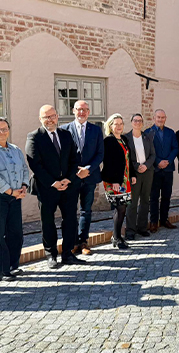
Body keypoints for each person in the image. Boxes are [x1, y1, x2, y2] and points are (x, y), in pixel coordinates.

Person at [26, 105, 85, 268]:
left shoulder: (66, 135)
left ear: (57, 116)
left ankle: (68, 254)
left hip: (68, 186)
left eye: (52, 116)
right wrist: (53, 182)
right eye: (46, 117)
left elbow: (75, 159)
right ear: (40, 119)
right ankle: (51, 255)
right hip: (46, 187)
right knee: (48, 222)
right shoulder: (34, 137)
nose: (50, 120)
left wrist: (68, 179)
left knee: (70, 220)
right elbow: (35, 164)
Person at [0, 117, 31, 281]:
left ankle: (11, 266)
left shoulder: (15, 149)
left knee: (15, 233)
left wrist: (24, 186)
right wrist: (10, 191)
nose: (2, 132)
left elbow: (24, 169)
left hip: (15, 197)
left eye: (5, 129)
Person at [61, 101, 104, 256]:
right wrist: (75, 171)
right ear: (73, 111)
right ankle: (72, 242)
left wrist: (88, 169)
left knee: (86, 210)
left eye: (85, 110)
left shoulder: (96, 130)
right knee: (70, 211)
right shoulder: (64, 129)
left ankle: (83, 241)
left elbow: (100, 153)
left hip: (89, 177)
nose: (82, 112)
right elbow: (63, 155)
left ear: (89, 112)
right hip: (72, 178)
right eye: (79, 109)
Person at [101, 114, 137, 250]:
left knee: (123, 208)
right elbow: (109, 163)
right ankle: (116, 237)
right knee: (119, 207)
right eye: (116, 124)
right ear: (110, 126)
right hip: (114, 181)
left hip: (124, 180)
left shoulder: (124, 139)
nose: (119, 126)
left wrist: (132, 174)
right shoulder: (108, 141)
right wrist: (114, 181)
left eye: (121, 124)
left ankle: (117, 236)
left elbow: (128, 159)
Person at [125, 114, 156, 239]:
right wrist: (137, 166)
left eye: (140, 121)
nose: (137, 123)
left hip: (147, 172)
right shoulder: (126, 138)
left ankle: (142, 228)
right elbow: (126, 157)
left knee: (145, 200)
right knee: (132, 202)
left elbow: (153, 155)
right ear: (131, 122)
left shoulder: (147, 137)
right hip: (134, 173)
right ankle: (130, 230)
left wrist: (146, 165)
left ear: (142, 123)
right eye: (135, 120)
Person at [147, 109, 179, 232]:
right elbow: (147, 151)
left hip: (168, 169)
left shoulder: (171, 132)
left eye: (162, 117)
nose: (160, 119)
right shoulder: (148, 133)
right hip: (154, 170)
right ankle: (154, 222)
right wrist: (158, 161)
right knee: (154, 197)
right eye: (158, 117)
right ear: (154, 118)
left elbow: (175, 148)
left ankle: (164, 219)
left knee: (166, 196)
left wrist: (168, 161)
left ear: (165, 118)